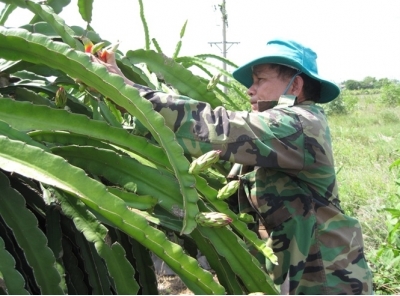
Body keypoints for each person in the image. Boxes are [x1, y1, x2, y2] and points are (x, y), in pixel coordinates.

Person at [93, 39, 373, 294]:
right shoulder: (271, 139)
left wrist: (126, 90)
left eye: (260, 80)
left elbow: (217, 127)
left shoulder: (300, 125)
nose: (250, 89)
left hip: (326, 279)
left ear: (295, 86)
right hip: (296, 271)